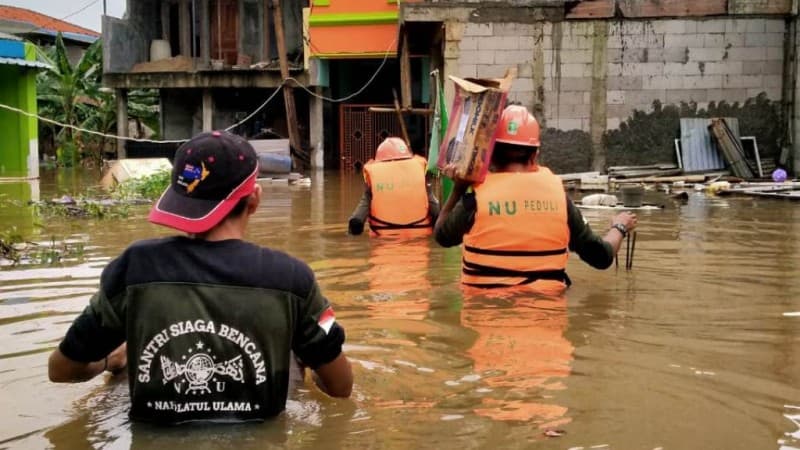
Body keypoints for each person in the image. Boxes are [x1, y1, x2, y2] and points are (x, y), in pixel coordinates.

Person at [48, 131, 353, 424]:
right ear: (255, 200)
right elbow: (341, 387)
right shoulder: (294, 279)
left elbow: (60, 370)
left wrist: (108, 361)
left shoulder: (134, 268)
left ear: (177, 199)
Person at [434, 105, 638, 292]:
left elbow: (442, 236)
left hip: (486, 318)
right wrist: (619, 227)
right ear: (535, 155)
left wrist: (459, 188)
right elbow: (601, 257)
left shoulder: (475, 200)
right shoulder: (559, 198)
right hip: (547, 316)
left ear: (491, 154)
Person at [348, 137, 440, 236]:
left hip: (384, 237)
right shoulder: (420, 169)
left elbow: (360, 215)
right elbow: (435, 208)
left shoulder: (374, 174)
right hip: (421, 236)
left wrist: (354, 225)